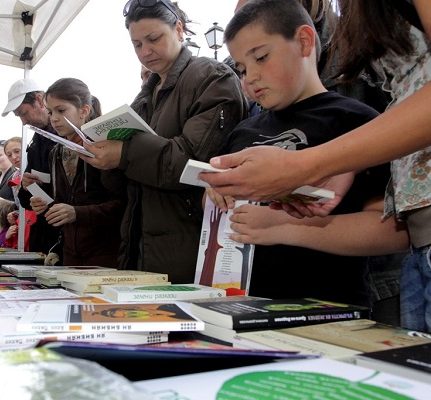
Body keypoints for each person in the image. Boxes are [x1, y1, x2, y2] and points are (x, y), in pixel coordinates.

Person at [201, 0, 431, 332]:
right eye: (240, 68)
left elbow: (391, 231)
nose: (250, 77)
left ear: (306, 42)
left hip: (329, 311)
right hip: (241, 306)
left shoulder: (354, 119)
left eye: (262, 57)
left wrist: (282, 223)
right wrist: (216, 194)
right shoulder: (243, 130)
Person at [81, 0, 248, 283]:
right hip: (140, 248)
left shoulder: (211, 77)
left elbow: (192, 162)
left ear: (178, 29)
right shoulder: (145, 97)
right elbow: (124, 188)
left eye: (154, 39)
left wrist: (125, 154)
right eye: (136, 44)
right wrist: (104, 160)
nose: (145, 52)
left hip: (192, 246)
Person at [30, 77, 126, 267]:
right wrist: (46, 206)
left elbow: (125, 205)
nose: (54, 118)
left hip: (106, 257)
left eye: (61, 110)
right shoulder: (56, 152)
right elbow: (69, 203)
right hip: (70, 256)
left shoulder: (104, 147)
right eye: (50, 112)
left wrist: (77, 213)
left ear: (84, 110)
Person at [2, 78, 61, 257]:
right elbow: (26, 201)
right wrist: (26, 186)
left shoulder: (64, 138)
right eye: (19, 116)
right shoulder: (35, 144)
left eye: (24, 113)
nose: (24, 122)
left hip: (64, 232)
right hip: (45, 232)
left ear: (39, 100)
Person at [3, 136, 34, 251]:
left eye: (17, 151)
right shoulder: (15, 176)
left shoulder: (37, 168)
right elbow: (21, 204)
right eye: (9, 155)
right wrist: (15, 213)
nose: (14, 157)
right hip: (24, 225)